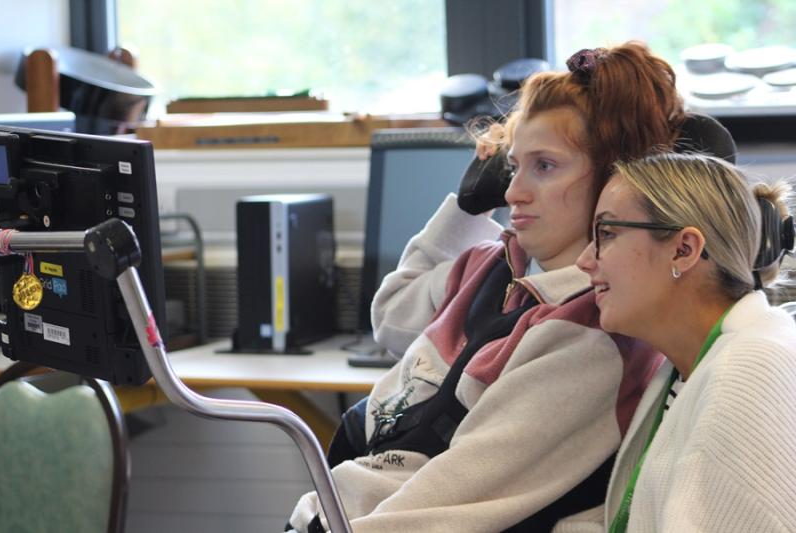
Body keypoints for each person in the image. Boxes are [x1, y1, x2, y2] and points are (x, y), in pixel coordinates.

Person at [287, 42, 687, 533]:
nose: (514, 191)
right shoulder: (493, 264)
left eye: (545, 166)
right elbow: (391, 318)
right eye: (513, 166)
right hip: (335, 506)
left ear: (613, 179)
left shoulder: (590, 332)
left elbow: (446, 507)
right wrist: (467, 206)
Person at [576, 153, 796, 532]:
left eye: (607, 234)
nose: (584, 260)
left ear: (684, 250)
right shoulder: (690, 366)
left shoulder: (749, 371)